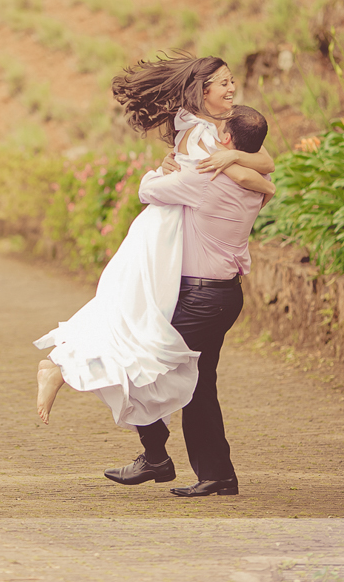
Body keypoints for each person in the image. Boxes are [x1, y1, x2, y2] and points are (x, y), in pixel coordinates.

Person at [33, 56, 274, 432]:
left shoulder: (216, 133)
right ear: (203, 91)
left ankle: (64, 369)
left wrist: (221, 161)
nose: (232, 88)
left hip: (179, 241)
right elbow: (258, 172)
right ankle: (67, 372)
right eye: (224, 82)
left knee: (140, 344)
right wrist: (240, 169)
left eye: (231, 81)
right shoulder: (201, 129)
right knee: (141, 337)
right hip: (176, 240)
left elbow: (257, 164)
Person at [101, 101, 272, 498]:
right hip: (226, 296)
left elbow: (147, 191)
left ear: (225, 138)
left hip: (200, 298)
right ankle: (218, 474)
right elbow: (266, 179)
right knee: (200, 385)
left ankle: (155, 456)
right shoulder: (255, 183)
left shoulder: (203, 179)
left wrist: (163, 169)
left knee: (137, 363)